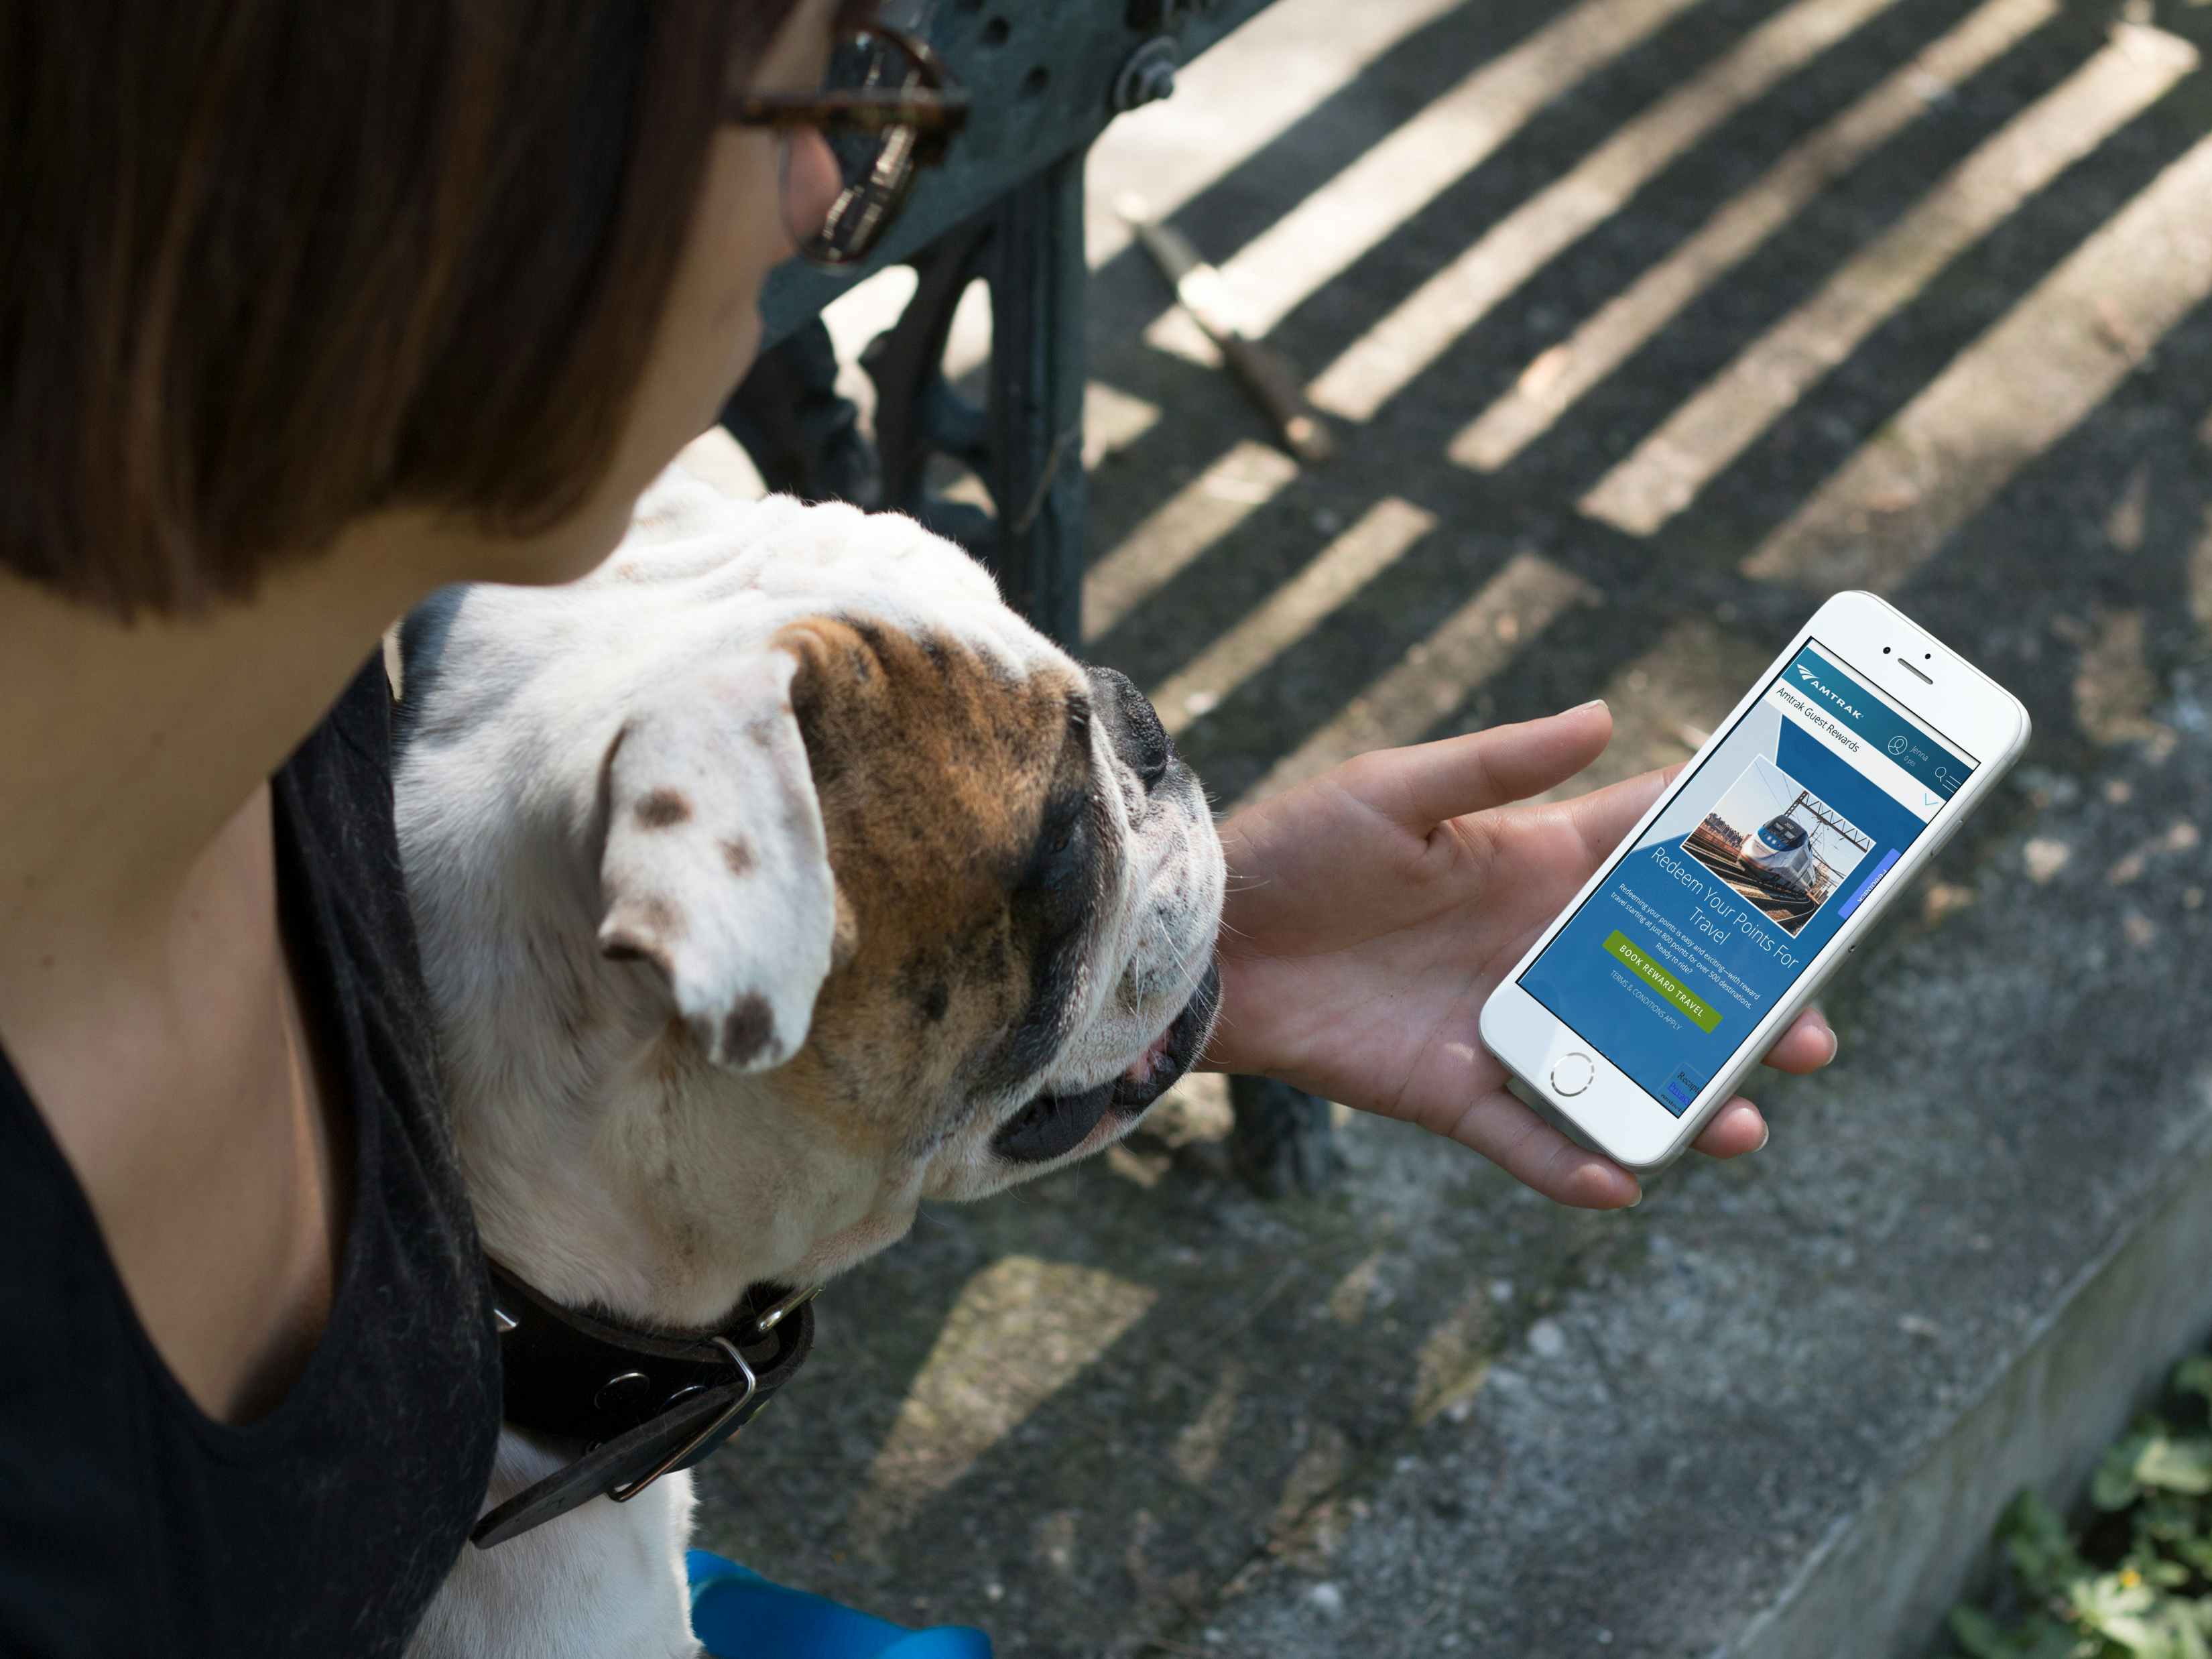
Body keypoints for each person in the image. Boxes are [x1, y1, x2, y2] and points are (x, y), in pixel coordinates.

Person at [0, 1, 1834, 1652]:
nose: (827, 181)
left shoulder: (355, 713)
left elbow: (586, 1113)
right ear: (447, 148)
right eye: (805, 73)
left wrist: (1183, 954)